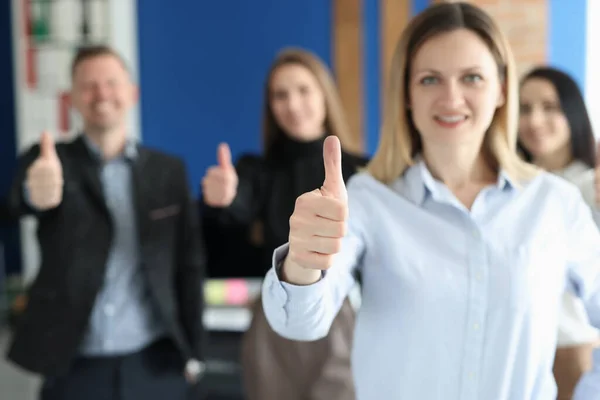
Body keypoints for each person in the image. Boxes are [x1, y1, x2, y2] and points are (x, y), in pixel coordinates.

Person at [259, 3, 600, 399]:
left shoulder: (554, 203)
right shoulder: (370, 200)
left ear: (502, 88)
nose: (451, 98)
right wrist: (302, 262)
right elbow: (300, 323)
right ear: (406, 93)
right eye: (429, 80)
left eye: (472, 77)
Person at [5, 45, 206, 400]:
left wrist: (195, 353)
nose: (101, 95)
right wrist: (34, 195)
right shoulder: (48, 161)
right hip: (74, 365)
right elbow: (10, 207)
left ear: (132, 93)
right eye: (89, 85)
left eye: (111, 83)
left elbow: (189, 265)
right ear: (71, 99)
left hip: (156, 361)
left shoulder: (168, 171)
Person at [201, 48, 367, 399]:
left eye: (303, 90)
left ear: (324, 94)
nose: (292, 104)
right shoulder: (258, 172)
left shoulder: (363, 172)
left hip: (342, 315)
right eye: (280, 95)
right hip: (274, 319)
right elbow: (239, 207)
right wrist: (224, 198)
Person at [518, 66, 600, 399]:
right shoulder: (511, 190)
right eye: (524, 109)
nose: (534, 120)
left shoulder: (589, 187)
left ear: (573, 112)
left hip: (571, 351)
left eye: (550, 107)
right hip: (518, 349)